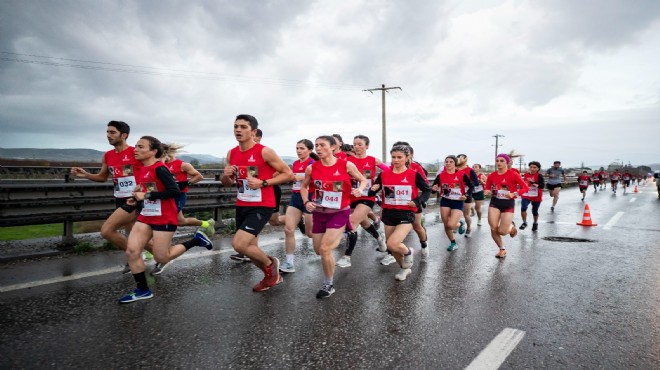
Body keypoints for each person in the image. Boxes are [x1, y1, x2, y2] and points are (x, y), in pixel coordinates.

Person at [118, 136, 212, 303]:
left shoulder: (160, 169)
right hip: (146, 215)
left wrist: (146, 194)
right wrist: (137, 198)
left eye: (141, 147)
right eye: (136, 146)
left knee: (162, 258)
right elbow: (148, 191)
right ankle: (142, 290)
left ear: (153, 151)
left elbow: (174, 191)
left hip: (164, 217)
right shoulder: (143, 169)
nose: (136, 149)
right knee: (132, 251)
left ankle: (196, 240)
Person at [220, 114, 294, 292]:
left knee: (239, 244)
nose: (238, 130)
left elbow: (288, 174)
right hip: (243, 203)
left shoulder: (264, 151)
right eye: (236, 126)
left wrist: (264, 182)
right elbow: (227, 183)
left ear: (253, 131)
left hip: (263, 204)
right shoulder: (232, 153)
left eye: (243, 127)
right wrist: (226, 175)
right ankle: (271, 276)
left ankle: (271, 263)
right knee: (250, 248)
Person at [70, 121, 143, 274]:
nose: (108, 135)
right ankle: (156, 254)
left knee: (113, 231)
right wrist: (85, 174)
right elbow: (103, 177)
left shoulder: (135, 153)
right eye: (107, 132)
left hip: (137, 199)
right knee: (132, 232)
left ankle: (137, 257)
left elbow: (153, 170)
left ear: (124, 135)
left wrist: (143, 189)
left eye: (112, 132)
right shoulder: (108, 156)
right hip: (120, 199)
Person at [299, 135, 367, 298]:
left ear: (332, 147)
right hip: (319, 213)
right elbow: (303, 187)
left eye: (322, 145)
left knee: (325, 248)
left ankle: (328, 284)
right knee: (318, 250)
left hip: (339, 213)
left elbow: (363, 179)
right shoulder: (312, 168)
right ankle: (342, 233)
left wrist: (359, 189)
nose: (318, 148)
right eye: (316, 146)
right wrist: (307, 201)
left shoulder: (346, 165)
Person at [150, 143, 217, 275]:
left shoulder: (182, 164)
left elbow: (198, 176)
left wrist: (185, 183)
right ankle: (206, 224)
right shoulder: (158, 165)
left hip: (178, 196)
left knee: (168, 222)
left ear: (167, 153)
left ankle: (162, 255)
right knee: (180, 221)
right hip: (164, 197)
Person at [368, 145, 430, 280]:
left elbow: (427, 190)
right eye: (393, 157)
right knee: (393, 249)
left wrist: (418, 201)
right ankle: (404, 268)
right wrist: (373, 189)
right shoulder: (384, 174)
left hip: (406, 214)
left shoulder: (413, 174)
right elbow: (372, 192)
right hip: (389, 213)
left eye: (399, 157)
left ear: (407, 158)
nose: (395, 160)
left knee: (392, 243)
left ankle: (408, 252)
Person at [335, 135, 388, 268]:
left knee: (352, 222)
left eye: (360, 144)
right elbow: (338, 178)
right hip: (350, 197)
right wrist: (336, 191)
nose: (356, 147)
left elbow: (388, 172)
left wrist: (378, 185)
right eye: (354, 144)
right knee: (364, 223)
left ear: (367, 146)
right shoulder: (347, 161)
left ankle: (347, 257)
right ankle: (379, 238)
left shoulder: (374, 160)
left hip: (367, 197)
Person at [279, 139, 319, 273]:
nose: (299, 151)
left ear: (309, 150)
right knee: (288, 229)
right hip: (296, 198)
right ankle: (289, 262)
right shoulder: (296, 163)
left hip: (309, 197)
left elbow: (319, 179)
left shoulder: (313, 163)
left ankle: (326, 240)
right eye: (297, 148)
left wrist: (300, 177)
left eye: (302, 148)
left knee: (309, 233)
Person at [484, 154, 529, 258]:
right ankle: (502, 249)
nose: (499, 163)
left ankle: (511, 226)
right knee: (493, 228)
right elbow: (487, 187)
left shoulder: (513, 174)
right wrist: (486, 191)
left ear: (507, 163)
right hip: (495, 202)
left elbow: (525, 188)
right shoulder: (491, 175)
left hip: (508, 203)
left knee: (502, 232)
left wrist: (514, 194)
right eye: (497, 161)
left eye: (502, 161)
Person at [431, 155, 474, 252]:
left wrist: (466, 195)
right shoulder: (441, 175)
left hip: (458, 201)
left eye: (451, 162)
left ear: (455, 164)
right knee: (446, 225)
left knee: (451, 225)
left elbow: (471, 186)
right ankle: (453, 243)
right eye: (446, 162)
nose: (448, 163)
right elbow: (434, 188)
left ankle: (460, 223)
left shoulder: (462, 174)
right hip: (445, 201)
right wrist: (433, 189)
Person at [456, 154, 479, 238]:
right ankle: (458, 224)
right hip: (455, 194)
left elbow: (476, 182)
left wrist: (466, 183)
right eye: (458, 158)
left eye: (460, 158)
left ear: (465, 160)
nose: (459, 159)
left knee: (466, 214)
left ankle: (469, 228)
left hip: (466, 193)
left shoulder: (469, 170)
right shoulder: (453, 169)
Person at [519, 161, 544, 231]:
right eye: (531, 167)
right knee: (523, 208)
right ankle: (524, 222)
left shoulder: (539, 176)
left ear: (538, 169)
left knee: (534, 211)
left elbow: (542, 186)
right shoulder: (526, 175)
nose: (532, 169)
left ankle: (535, 223)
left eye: (534, 167)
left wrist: (533, 182)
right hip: (526, 195)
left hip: (536, 195)